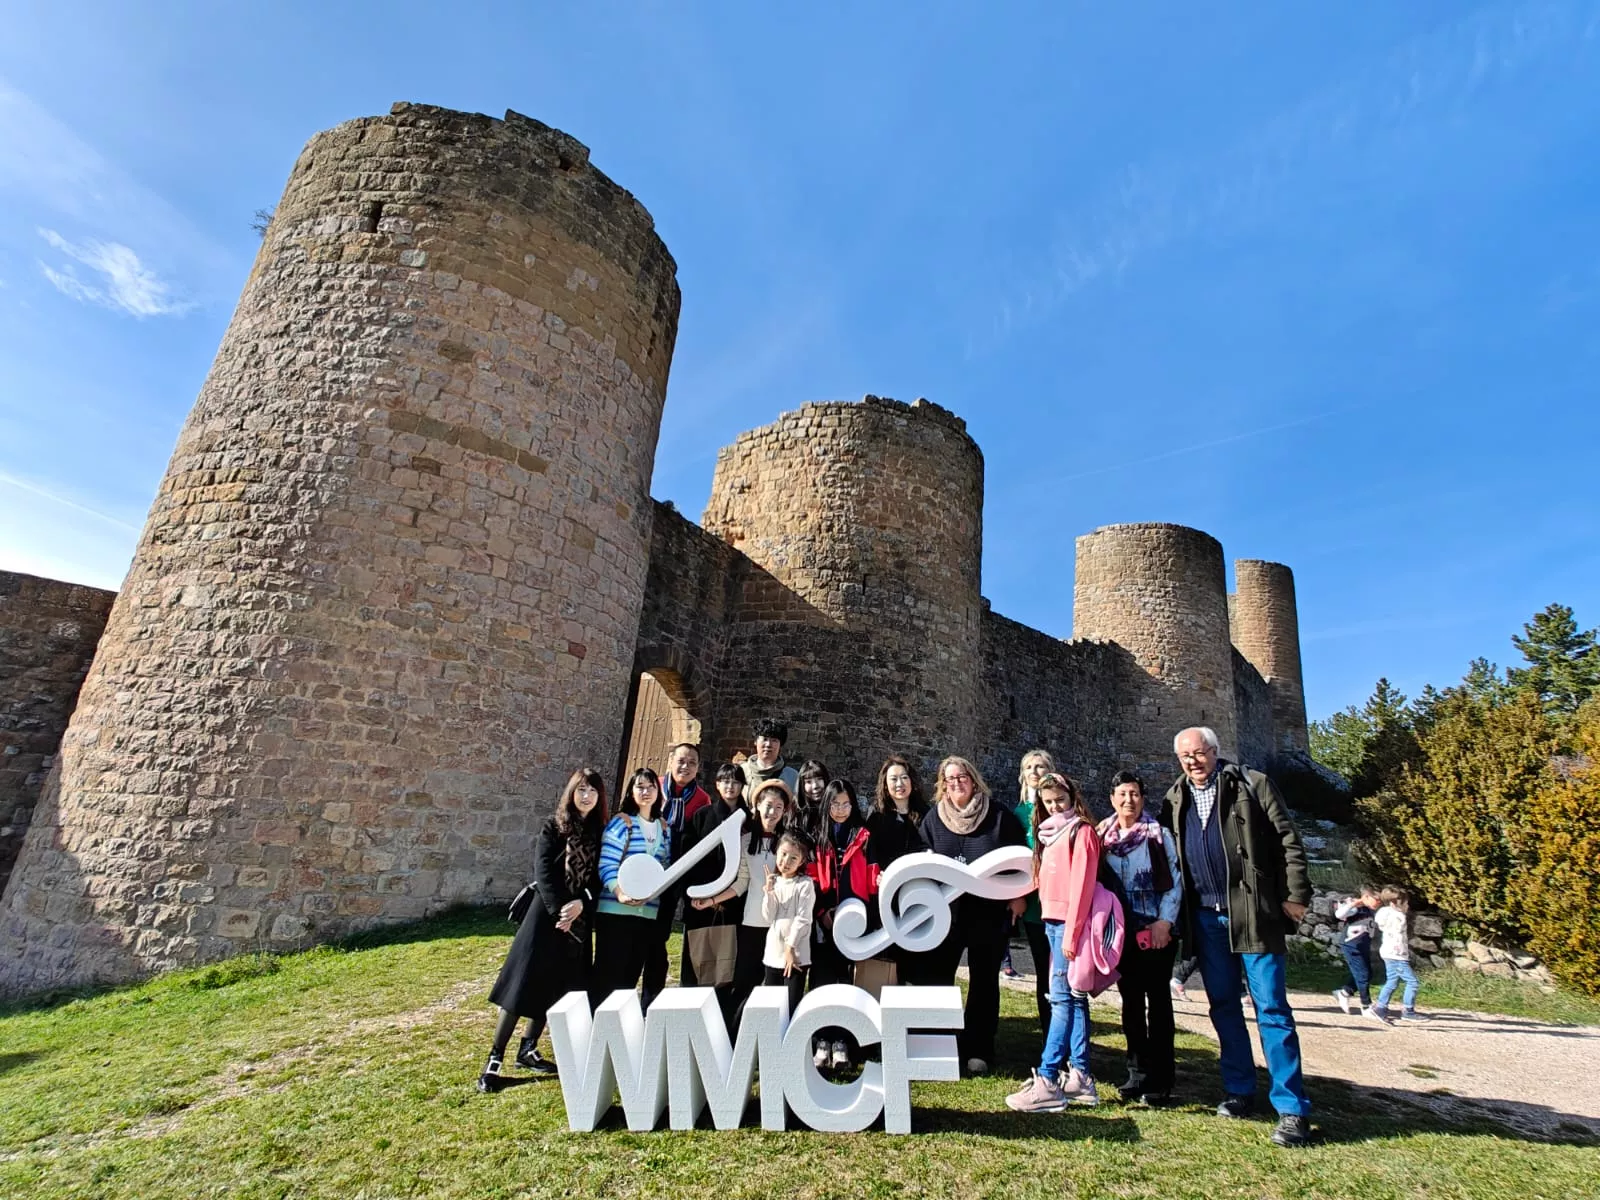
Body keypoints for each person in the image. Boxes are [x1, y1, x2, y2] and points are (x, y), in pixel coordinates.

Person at [1162, 726, 1314, 1149]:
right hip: (1205, 919)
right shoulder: (1175, 797)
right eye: (1185, 756)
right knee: (1223, 1008)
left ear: (1214, 751)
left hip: (1253, 915)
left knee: (1272, 1010)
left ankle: (1290, 1109)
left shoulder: (1253, 784)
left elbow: (1288, 838)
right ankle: (1239, 1090)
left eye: (1199, 752)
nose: (1193, 761)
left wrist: (1296, 894)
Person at [478, 767, 606, 1093]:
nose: (587, 796)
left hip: (577, 918)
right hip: (545, 916)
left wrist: (581, 905)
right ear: (572, 792)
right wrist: (561, 908)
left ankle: (529, 1048)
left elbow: (597, 878)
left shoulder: (599, 832)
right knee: (522, 986)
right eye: (581, 790)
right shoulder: (554, 827)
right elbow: (544, 871)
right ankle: (494, 1060)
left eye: (592, 791)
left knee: (558, 987)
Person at [919, 754, 1029, 1075]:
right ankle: (940, 1043)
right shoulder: (933, 819)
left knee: (983, 982)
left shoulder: (997, 816)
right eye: (949, 779)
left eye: (961, 777)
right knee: (939, 978)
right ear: (943, 785)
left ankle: (978, 1049)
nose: (956, 783)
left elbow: (1020, 856)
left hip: (988, 914)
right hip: (946, 915)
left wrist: (1019, 896)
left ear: (974, 779)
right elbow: (921, 858)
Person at [1006, 772, 1102, 1112]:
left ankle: (1048, 1079)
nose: (1054, 806)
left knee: (1061, 1000)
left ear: (1072, 797)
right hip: (1052, 923)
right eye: (1048, 802)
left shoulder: (1082, 832)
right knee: (1073, 1000)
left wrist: (1073, 937)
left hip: (1067, 928)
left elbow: (1082, 889)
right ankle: (1081, 1078)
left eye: (1060, 799)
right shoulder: (1050, 834)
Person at [1098, 770, 1182, 1105]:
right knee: (1131, 1004)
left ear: (1142, 798)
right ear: (1112, 799)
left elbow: (1174, 880)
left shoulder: (1158, 834)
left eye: (1134, 794)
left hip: (1155, 931)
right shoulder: (1103, 835)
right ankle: (1136, 1073)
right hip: (1122, 932)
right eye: (1122, 794)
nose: (1128, 800)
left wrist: (1165, 922)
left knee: (1159, 1004)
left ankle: (1161, 1079)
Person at [808, 778, 878, 1069]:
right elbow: (810, 877)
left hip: (853, 921)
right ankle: (821, 1040)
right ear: (827, 805)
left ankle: (842, 1041)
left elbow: (872, 879)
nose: (840, 809)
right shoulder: (816, 836)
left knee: (847, 980)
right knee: (822, 982)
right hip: (825, 921)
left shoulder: (863, 836)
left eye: (846, 804)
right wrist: (822, 911)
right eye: (835, 803)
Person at [593, 767, 673, 1002]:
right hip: (616, 912)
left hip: (646, 914)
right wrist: (619, 893)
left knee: (630, 977)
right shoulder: (622, 823)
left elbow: (664, 869)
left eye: (651, 787)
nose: (646, 791)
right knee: (608, 974)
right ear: (631, 791)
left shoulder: (664, 828)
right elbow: (607, 863)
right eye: (640, 786)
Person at [642, 743, 712, 1010]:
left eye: (692, 763)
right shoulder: (653, 787)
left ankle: (652, 1000)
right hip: (646, 870)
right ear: (670, 760)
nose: (685, 767)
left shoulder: (701, 800)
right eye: (681, 760)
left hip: (675, 875)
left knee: (659, 939)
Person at [678, 762, 751, 1019]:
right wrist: (700, 894)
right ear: (717, 785)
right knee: (695, 959)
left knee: (728, 960)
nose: (730, 786)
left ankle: (722, 1015)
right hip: (701, 901)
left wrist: (723, 896)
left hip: (733, 903)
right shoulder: (702, 816)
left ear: (742, 786)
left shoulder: (749, 820)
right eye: (725, 781)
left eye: (735, 781)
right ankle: (690, 1013)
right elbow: (689, 858)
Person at [730, 779, 795, 1023]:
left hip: (779, 923)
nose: (773, 812)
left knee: (773, 983)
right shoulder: (746, 841)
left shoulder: (787, 843)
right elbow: (742, 881)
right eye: (768, 805)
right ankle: (737, 1030)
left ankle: (770, 1033)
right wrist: (711, 898)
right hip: (752, 920)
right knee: (745, 979)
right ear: (757, 806)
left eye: (779, 807)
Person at [866, 755, 929, 986]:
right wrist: (878, 875)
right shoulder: (877, 816)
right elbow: (870, 854)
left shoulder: (926, 814)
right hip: (887, 895)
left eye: (904, 777)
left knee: (915, 951)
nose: (899, 784)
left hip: (917, 894)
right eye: (893, 779)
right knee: (888, 952)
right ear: (885, 784)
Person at [1010, 748, 1058, 1036]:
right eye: (1029, 767)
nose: (1035, 772)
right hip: (1034, 904)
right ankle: (1049, 1032)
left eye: (1040, 767)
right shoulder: (1019, 814)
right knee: (1044, 970)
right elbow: (1015, 860)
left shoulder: (1060, 808)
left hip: (1061, 900)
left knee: (1063, 974)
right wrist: (1017, 896)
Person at [761, 831, 817, 1015]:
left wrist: (790, 948)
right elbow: (768, 916)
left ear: (801, 861)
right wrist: (769, 892)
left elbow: (803, 918)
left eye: (794, 858)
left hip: (796, 954)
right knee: (771, 1006)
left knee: (791, 1005)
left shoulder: (805, 884)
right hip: (773, 952)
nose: (786, 861)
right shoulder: (774, 881)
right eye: (783, 854)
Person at [1372, 886, 1430, 1024]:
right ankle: (1408, 1011)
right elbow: (1398, 929)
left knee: (1392, 981)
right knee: (1412, 982)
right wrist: (1402, 914)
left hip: (1389, 953)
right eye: (1404, 902)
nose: (1407, 905)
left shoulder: (1385, 913)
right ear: (1395, 902)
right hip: (1396, 955)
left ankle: (1380, 1007)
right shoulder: (1397, 916)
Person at [1332, 886, 1381, 1018]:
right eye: (1376, 899)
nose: (1378, 902)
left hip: (1363, 945)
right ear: (1366, 897)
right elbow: (1339, 914)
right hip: (1351, 945)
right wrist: (1354, 903)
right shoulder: (1355, 907)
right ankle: (1366, 1006)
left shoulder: (1371, 910)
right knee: (1363, 975)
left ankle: (1344, 992)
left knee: (1367, 973)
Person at [740, 718, 800, 805]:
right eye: (764, 739)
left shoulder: (792, 776)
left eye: (774, 740)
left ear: (780, 745)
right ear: (755, 741)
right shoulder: (742, 771)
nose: (768, 744)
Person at [794, 759, 831, 841]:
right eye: (808, 782)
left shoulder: (836, 812)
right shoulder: (794, 816)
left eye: (819, 779)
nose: (815, 786)